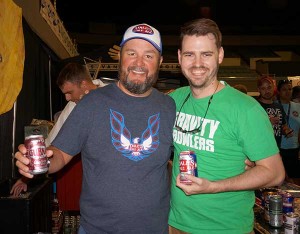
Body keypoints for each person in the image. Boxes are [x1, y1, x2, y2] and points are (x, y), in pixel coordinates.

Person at [15, 23, 176, 234]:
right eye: (131, 53)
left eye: (149, 55)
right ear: (120, 57)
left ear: (160, 62)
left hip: (155, 229)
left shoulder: (169, 106)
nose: (139, 63)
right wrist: (38, 161)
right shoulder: (91, 104)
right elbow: (60, 155)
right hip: (99, 229)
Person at [168, 18, 285, 234]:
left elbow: (275, 173)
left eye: (206, 54)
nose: (197, 63)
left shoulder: (245, 109)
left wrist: (213, 186)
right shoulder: (174, 100)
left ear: (220, 55)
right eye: (189, 54)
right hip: (176, 224)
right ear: (179, 57)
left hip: (226, 228)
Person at [10, 63, 106, 197]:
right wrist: (26, 174)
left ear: (84, 85)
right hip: (97, 183)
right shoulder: (73, 107)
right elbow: (52, 143)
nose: (67, 98)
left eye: (69, 92)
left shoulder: (114, 92)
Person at [256, 76, 292, 148]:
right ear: (259, 90)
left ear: (274, 87)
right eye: (263, 88)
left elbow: (283, 125)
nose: (267, 91)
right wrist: (267, 122)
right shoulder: (255, 106)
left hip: (276, 147)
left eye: (269, 87)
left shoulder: (278, 106)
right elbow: (249, 127)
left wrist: (286, 130)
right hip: (260, 148)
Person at [276, 79, 300, 185]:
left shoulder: (298, 106)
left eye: (289, 89)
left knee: (294, 180)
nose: (287, 92)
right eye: (284, 89)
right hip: (278, 149)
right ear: (279, 92)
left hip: (294, 149)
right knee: (280, 181)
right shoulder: (274, 106)